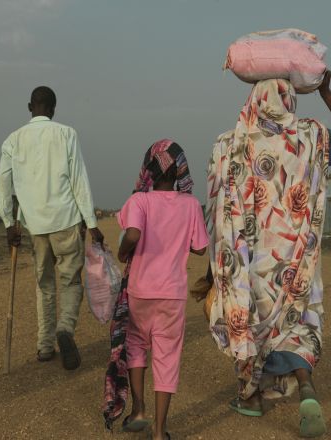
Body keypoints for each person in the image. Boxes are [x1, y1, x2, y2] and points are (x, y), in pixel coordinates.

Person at [203, 71, 331, 438]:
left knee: (249, 320)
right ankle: (306, 387)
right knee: (293, 324)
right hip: (293, 262)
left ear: (254, 100)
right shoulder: (311, 137)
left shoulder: (228, 144)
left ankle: (251, 397)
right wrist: (326, 91)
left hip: (249, 264)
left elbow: (218, 210)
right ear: (290, 100)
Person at [0, 86, 104, 369]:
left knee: (44, 285)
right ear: (53, 109)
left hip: (34, 225)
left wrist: (9, 222)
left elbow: (3, 184)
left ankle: (45, 346)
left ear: (29, 106)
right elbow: (79, 179)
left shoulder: (13, 140)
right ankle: (65, 328)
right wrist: (91, 223)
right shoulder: (66, 134)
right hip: (65, 221)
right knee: (70, 281)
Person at [108, 139, 209, 440]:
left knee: (136, 345)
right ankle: (159, 431)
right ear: (179, 173)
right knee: (166, 357)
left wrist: (124, 252)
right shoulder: (191, 205)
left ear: (148, 172)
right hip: (172, 293)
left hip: (140, 290)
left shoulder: (139, 201)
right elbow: (201, 249)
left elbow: (133, 233)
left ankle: (138, 409)